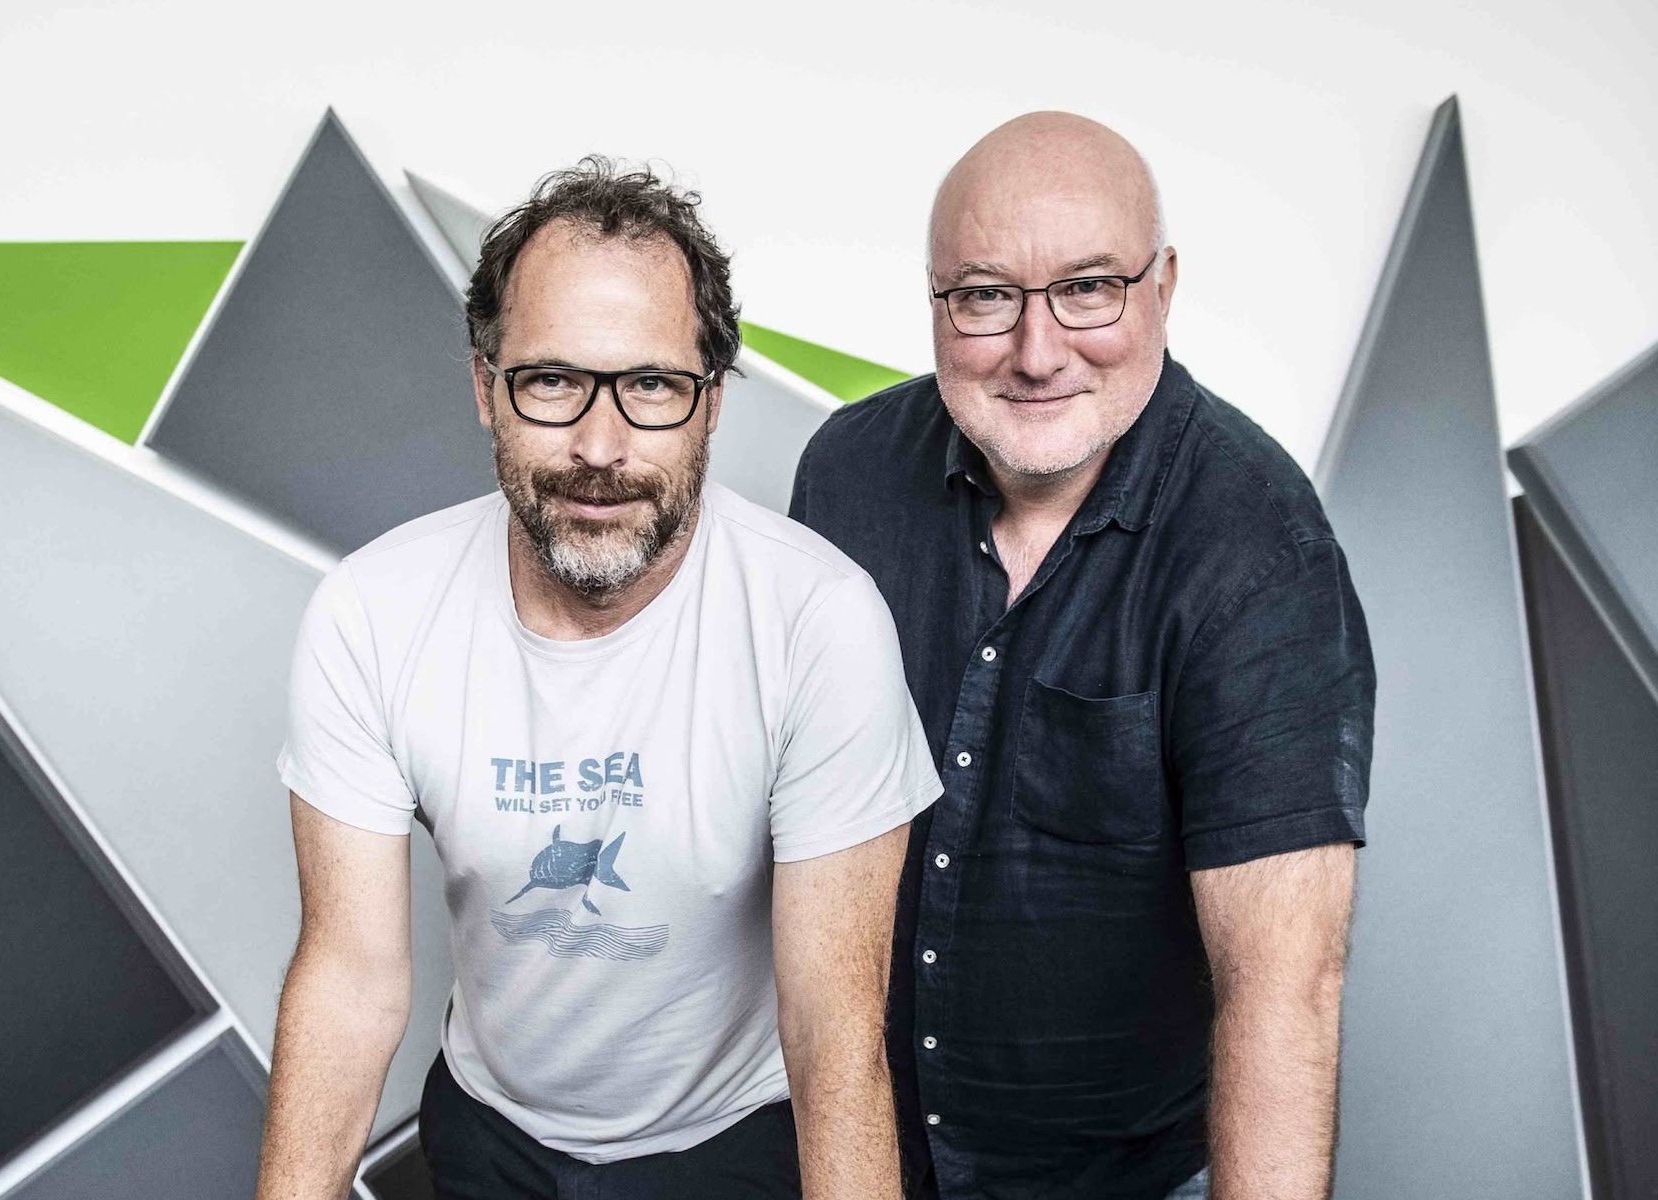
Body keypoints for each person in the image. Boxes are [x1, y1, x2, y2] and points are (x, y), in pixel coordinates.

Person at [257, 158, 941, 1200]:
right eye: (552, 381)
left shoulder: (821, 623)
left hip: (734, 1146)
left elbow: (834, 1036)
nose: (599, 445)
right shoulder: (371, 613)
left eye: (653, 385)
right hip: (490, 1136)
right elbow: (350, 978)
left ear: (713, 402)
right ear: (485, 389)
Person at [789, 112, 1375, 1200]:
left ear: (1164, 288)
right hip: (862, 1153)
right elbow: (799, 841)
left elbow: (1283, 987)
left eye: (1089, 288)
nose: (1037, 351)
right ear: (935, 303)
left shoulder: (1259, 549)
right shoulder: (846, 477)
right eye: (985, 296)